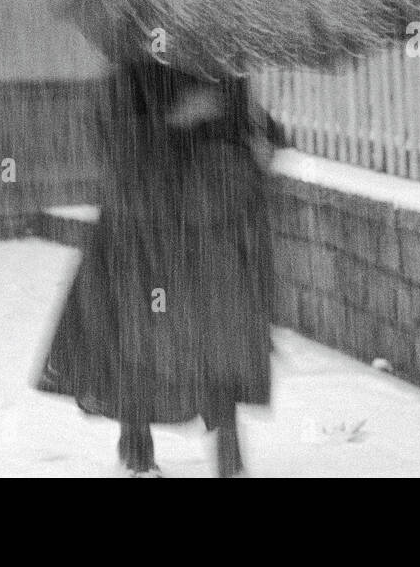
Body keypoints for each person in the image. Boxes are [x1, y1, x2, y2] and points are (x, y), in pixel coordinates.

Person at [37, 57, 285, 476]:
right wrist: (174, 121)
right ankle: (137, 446)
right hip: (142, 236)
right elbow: (114, 150)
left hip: (210, 232)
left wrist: (264, 143)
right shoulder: (131, 76)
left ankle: (228, 448)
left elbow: (259, 134)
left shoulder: (222, 68)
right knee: (138, 340)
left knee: (217, 341)